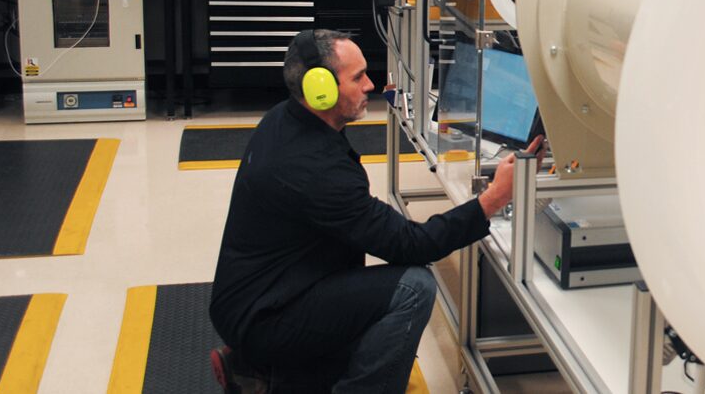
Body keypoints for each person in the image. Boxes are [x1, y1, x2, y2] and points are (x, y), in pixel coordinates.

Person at [208, 29, 540, 393]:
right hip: (264, 317)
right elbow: (413, 245)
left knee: (371, 307)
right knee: (413, 288)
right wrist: (492, 200)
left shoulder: (285, 119)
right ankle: (270, 364)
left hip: (261, 294)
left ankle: (261, 370)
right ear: (320, 89)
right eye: (358, 77)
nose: (371, 84)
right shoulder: (313, 170)